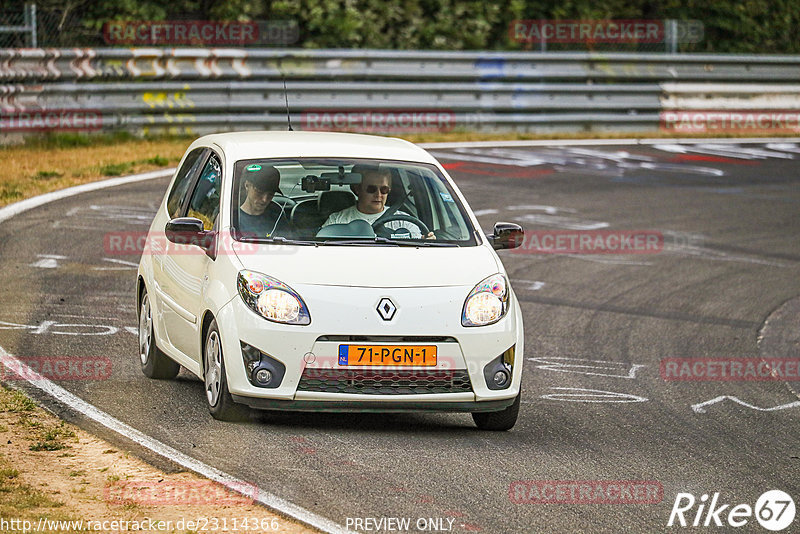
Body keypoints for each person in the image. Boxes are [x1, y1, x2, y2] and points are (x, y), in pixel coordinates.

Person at [321, 164, 435, 239]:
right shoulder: (336, 220)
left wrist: (428, 242)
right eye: (371, 189)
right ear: (357, 189)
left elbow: (417, 251)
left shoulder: (406, 221)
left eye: (384, 189)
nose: (379, 194)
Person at [238, 164, 293, 238]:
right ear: (247, 185)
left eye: (270, 194)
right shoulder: (231, 216)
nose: (265, 199)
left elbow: (288, 242)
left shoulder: (277, 213)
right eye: (259, 192)